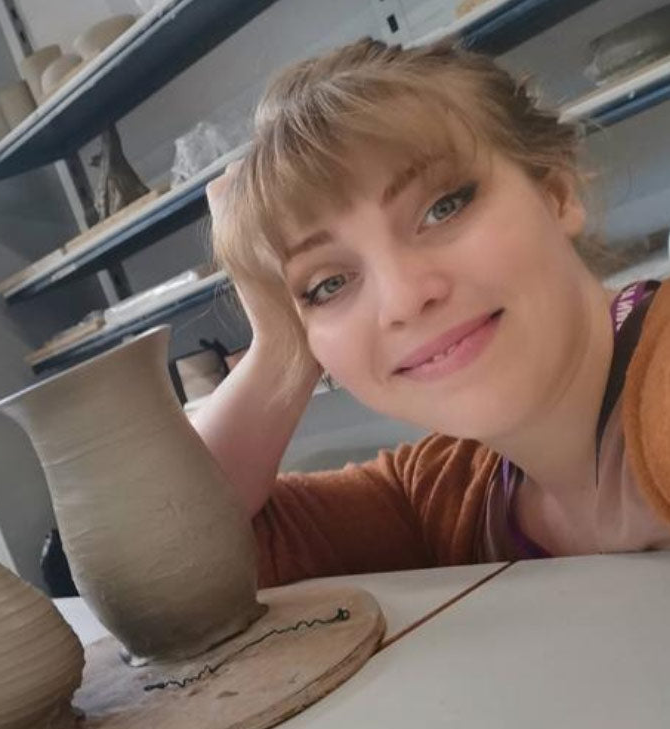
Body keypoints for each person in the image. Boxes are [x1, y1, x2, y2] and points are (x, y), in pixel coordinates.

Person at [194, 38, 670, 587]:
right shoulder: (442, 493)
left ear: (556, 193)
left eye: (443, 208)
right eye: (327, 285)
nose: (403, 298)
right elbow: (182, 557)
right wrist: (280, 348)